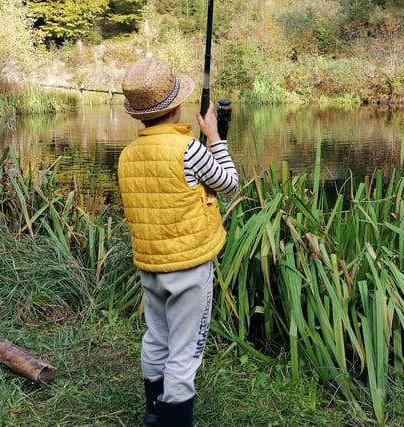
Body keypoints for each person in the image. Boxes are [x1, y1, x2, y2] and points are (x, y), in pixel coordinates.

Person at [117, 54, 238, 427]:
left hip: (150, 267)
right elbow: (229, 183)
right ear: (176, 107)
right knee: (185, 353)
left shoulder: (127, 156)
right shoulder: (189, 150)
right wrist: (215, 138)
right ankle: (174, 421)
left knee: (156, 339)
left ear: (139, 114)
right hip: (189, 270)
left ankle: (154, 412)